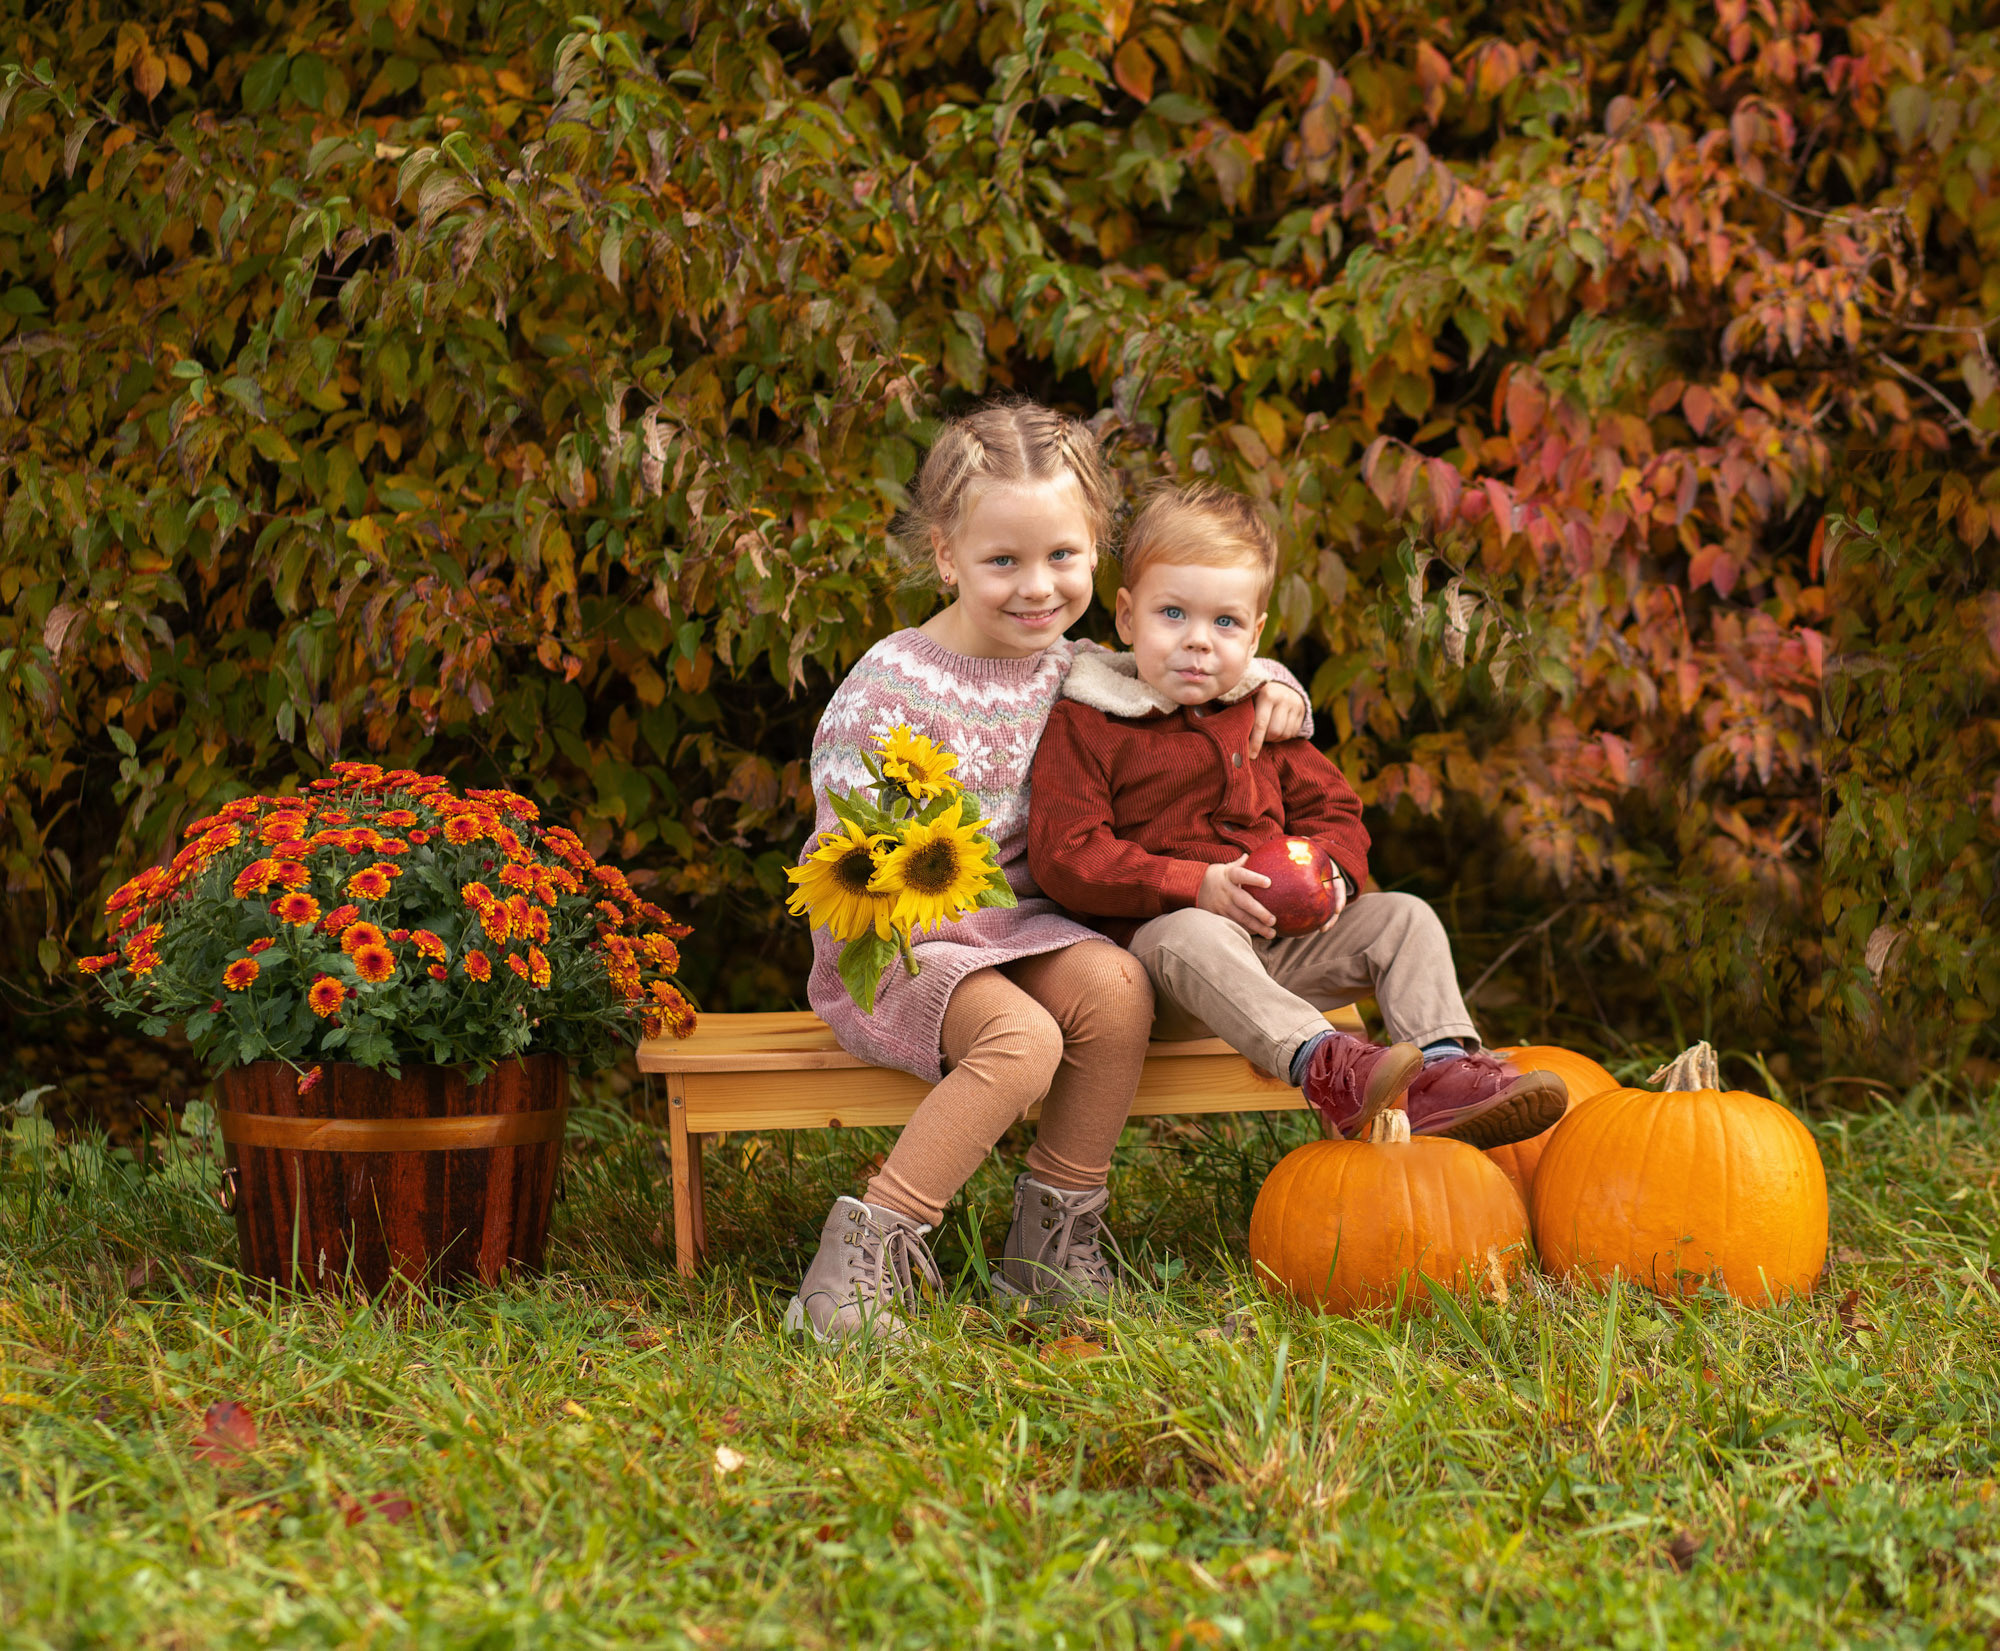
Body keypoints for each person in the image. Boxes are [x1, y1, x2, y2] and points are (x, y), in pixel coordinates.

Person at [786, 408, 1314, 1342]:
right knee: (1023, 1040)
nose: (1038, 589)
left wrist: (1280, 687)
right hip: (899, 938)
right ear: (946, 555)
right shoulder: (894, 682)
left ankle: (1048, 1252)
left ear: (1097, 551)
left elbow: (1207, 662)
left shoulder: (1084, 669)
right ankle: (864, 1252)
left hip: (1029, 927)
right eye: (1004, 563)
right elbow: (851, 857)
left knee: (1116, 987)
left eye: (1064, 557)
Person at [1026, 481, 1566, 1147]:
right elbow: (1066, 854)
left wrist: (1335, 871)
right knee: (1192, 932)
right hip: (1161, 972)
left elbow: (1336, 808)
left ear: (1254, 635)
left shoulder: (1262, 715)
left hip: (1278, 951)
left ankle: (1446, 1075)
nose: (1198, 642)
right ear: (1128, 617)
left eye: (1224, 623)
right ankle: (1330, 1068)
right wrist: (1193, 884)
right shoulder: (1088, 722)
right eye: (1173, 614)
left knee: (1404, 917)